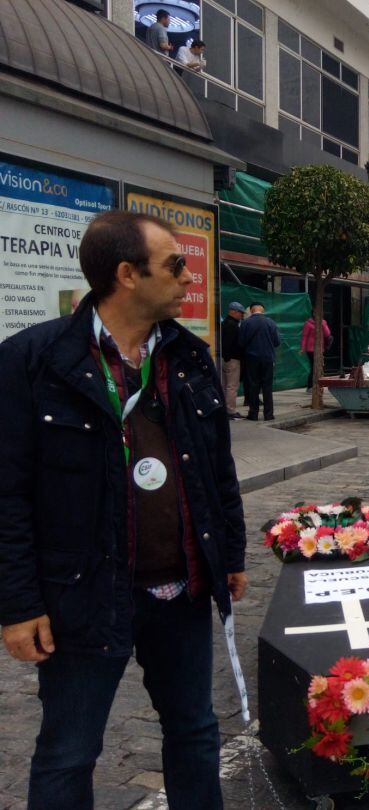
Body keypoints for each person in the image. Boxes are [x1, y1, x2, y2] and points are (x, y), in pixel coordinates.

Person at [0, 210, 246, 810]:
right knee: (68, 752)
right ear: (127, 275)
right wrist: (18, 606)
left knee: (195, 733)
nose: (189, 278)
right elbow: (7, 494)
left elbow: (218, 470)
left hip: (181, 590)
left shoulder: (190, 358)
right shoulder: (33, 362)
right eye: (175, 265)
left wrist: (230, 554)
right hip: (85, 596)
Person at [238, 301, 280, 421]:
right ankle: (269, 414)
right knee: (267, 386)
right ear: (263, 310)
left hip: (251, 359)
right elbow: (277, 342)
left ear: (251, 311)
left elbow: (241, 342)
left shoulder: (245, 323)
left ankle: (253, 413)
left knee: (253, 386)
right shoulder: (271, 323)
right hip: (268, 358)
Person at [220, 301, 245, 419]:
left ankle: (223, 408)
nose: (241, 315)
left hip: (225, 358)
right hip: (232, 359)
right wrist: (228, 356)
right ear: (233, 311)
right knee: (232, 386)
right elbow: (230, 343)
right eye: (240, 312)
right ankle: (230, 410)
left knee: (225, 384)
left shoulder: (224, 323)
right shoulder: (233, 325)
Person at [301, 315, 331, 392]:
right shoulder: (308, 324)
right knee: (315, 367)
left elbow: (327, 334)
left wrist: (303, 348)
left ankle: (315, 385)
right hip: (312, 349)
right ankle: (311, 386)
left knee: (316, 367)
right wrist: (303, 348)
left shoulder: (319, 323)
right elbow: (305, 336)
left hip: (318, 349)